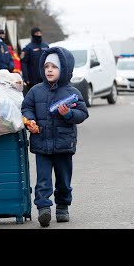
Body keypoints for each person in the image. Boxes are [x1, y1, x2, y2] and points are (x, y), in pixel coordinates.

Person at [21, 47, 89, 227]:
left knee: (64, 180)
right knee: (43, 180)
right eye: (46, 66)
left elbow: (82, 113)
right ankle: (43, 208)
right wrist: (31, 121)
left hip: (64, 144)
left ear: (64, 69)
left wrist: (68, 114)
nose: (49, 70)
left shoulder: (72, 92)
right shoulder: (35, 91)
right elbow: (26, 108)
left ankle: (62, 207)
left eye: (54, 67)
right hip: (41, 143)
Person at [21, 26, 49, 94]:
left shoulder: (45, 46)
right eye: (37, 33)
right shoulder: (28, 48)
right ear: (33, 34)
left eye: (40, 33)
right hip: (33, 79)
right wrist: (26, 78)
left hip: (45, 77)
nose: (39, 35)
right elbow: (24, 63)